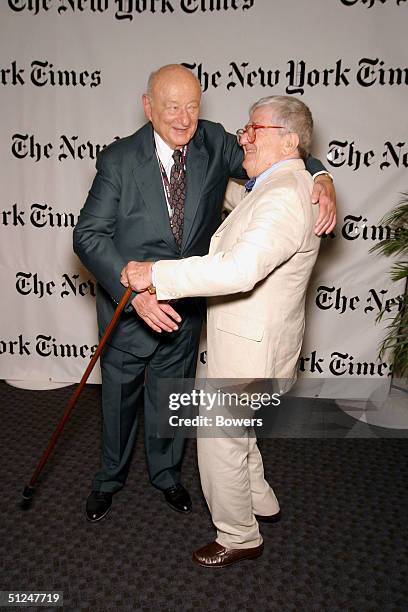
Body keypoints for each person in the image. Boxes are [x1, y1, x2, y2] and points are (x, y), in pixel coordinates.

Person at [73, 65, 335, 523]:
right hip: (130, 309)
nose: (183, 119)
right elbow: (89, 236)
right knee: (118, 401)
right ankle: (108, 479)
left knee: (171, 399)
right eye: (172, 106)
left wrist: (322, 176)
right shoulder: (118, 160)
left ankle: (167, 475)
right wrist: (133, 296)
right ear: (148, 106)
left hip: (187, 308)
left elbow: (284, 156)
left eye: (192, 106)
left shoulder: (213, 142)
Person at [121, 95, 322, 567]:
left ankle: (238, 535)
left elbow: (237, 270)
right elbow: (226, 195)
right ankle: (261, 500)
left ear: (288, 141)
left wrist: (157, 274)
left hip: (250, 352)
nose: (243, 137)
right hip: (258, 346)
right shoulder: (275, 185)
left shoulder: (283, 196)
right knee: (241, 431)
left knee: (218, 441)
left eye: (254, 130)